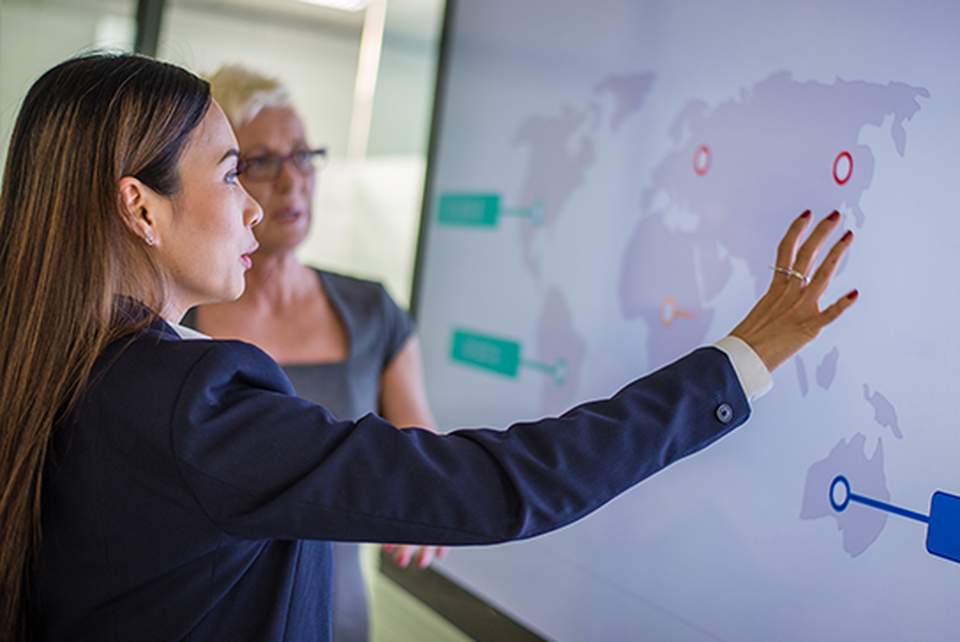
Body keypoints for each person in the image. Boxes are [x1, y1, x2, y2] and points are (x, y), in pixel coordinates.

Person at [0, 53, 857, 642]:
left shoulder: (64, 369)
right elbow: (492, 488)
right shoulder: (192, 396)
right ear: (140, 207)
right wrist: (738, 361)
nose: (260, 204)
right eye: (233, 173)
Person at [181, 63, 442, 642]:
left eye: (303, 155)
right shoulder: (179, 317)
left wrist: (428, 505)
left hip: (338, 620)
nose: (292, 180)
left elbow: (422, 453)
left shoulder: (373, 311)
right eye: (262, 162)